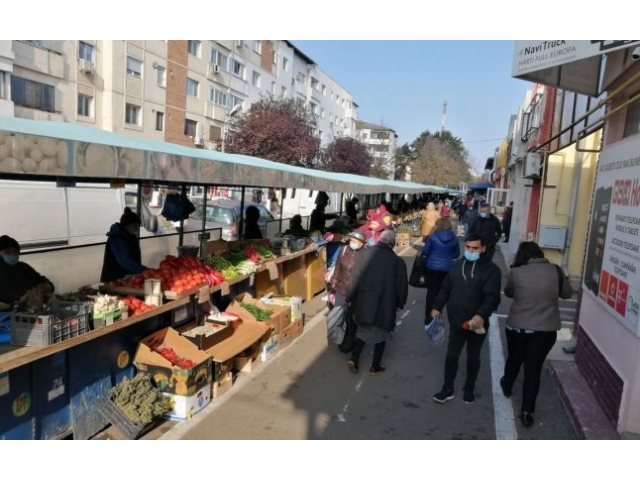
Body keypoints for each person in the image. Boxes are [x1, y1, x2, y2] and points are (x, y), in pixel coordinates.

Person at [500, 241, 574, 428]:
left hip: (518, 327)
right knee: (533, 369)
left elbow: (508, 293)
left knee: (514, 359)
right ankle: (527, 412)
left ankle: (507, 385)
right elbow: (567, 294)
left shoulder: (517, 272)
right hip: (545, 330)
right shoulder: (556, 270)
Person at [430, 233, 501, 404]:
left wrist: (480, 315)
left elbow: (492, 297)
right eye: (468, 247)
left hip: (477, 324)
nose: (470, 251)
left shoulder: (492, 270)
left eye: (475, 248)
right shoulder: (456, 266)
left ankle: (469, 386)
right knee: (452, 355)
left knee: (473, 356)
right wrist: (437, 306)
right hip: (456, 320)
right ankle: (447, 388)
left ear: (483, 248)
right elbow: (445, 289)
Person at [345, 230, 409, 376]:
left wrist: (349, 298)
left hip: (364, 302)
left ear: (379, 239)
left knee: (363, 330)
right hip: (385, 305)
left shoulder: (363, 255)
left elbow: (354, 279)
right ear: (392, 244)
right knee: (382, 333)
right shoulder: (397, 262)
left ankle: (354, 358)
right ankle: (375, 366)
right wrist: (400, 303)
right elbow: (402, 286)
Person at [421, 218, 460, 327]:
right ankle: (438, 313)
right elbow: (456, 254)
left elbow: (425, 252)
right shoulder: (454, 238)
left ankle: (429, 317)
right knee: (443, 292)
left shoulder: (432, 237)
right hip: (447, 268)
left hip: (432, 267)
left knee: (431, 292)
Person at [0, 235, 55, 307]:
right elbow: (9, 295)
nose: (12, 254)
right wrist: (30, 296)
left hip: (34, 307)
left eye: (15, 251)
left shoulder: (23, 267)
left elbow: (43, 282)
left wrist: (46, 287)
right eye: (7, 252)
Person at [100, 208, 149, 283]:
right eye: (135, 225)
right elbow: (124, 260)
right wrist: (144, 270)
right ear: (128, 225)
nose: (137, 229)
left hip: (124, 277)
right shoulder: (118, 239)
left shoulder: (128, 237)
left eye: (138, 226)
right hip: (115, 280)